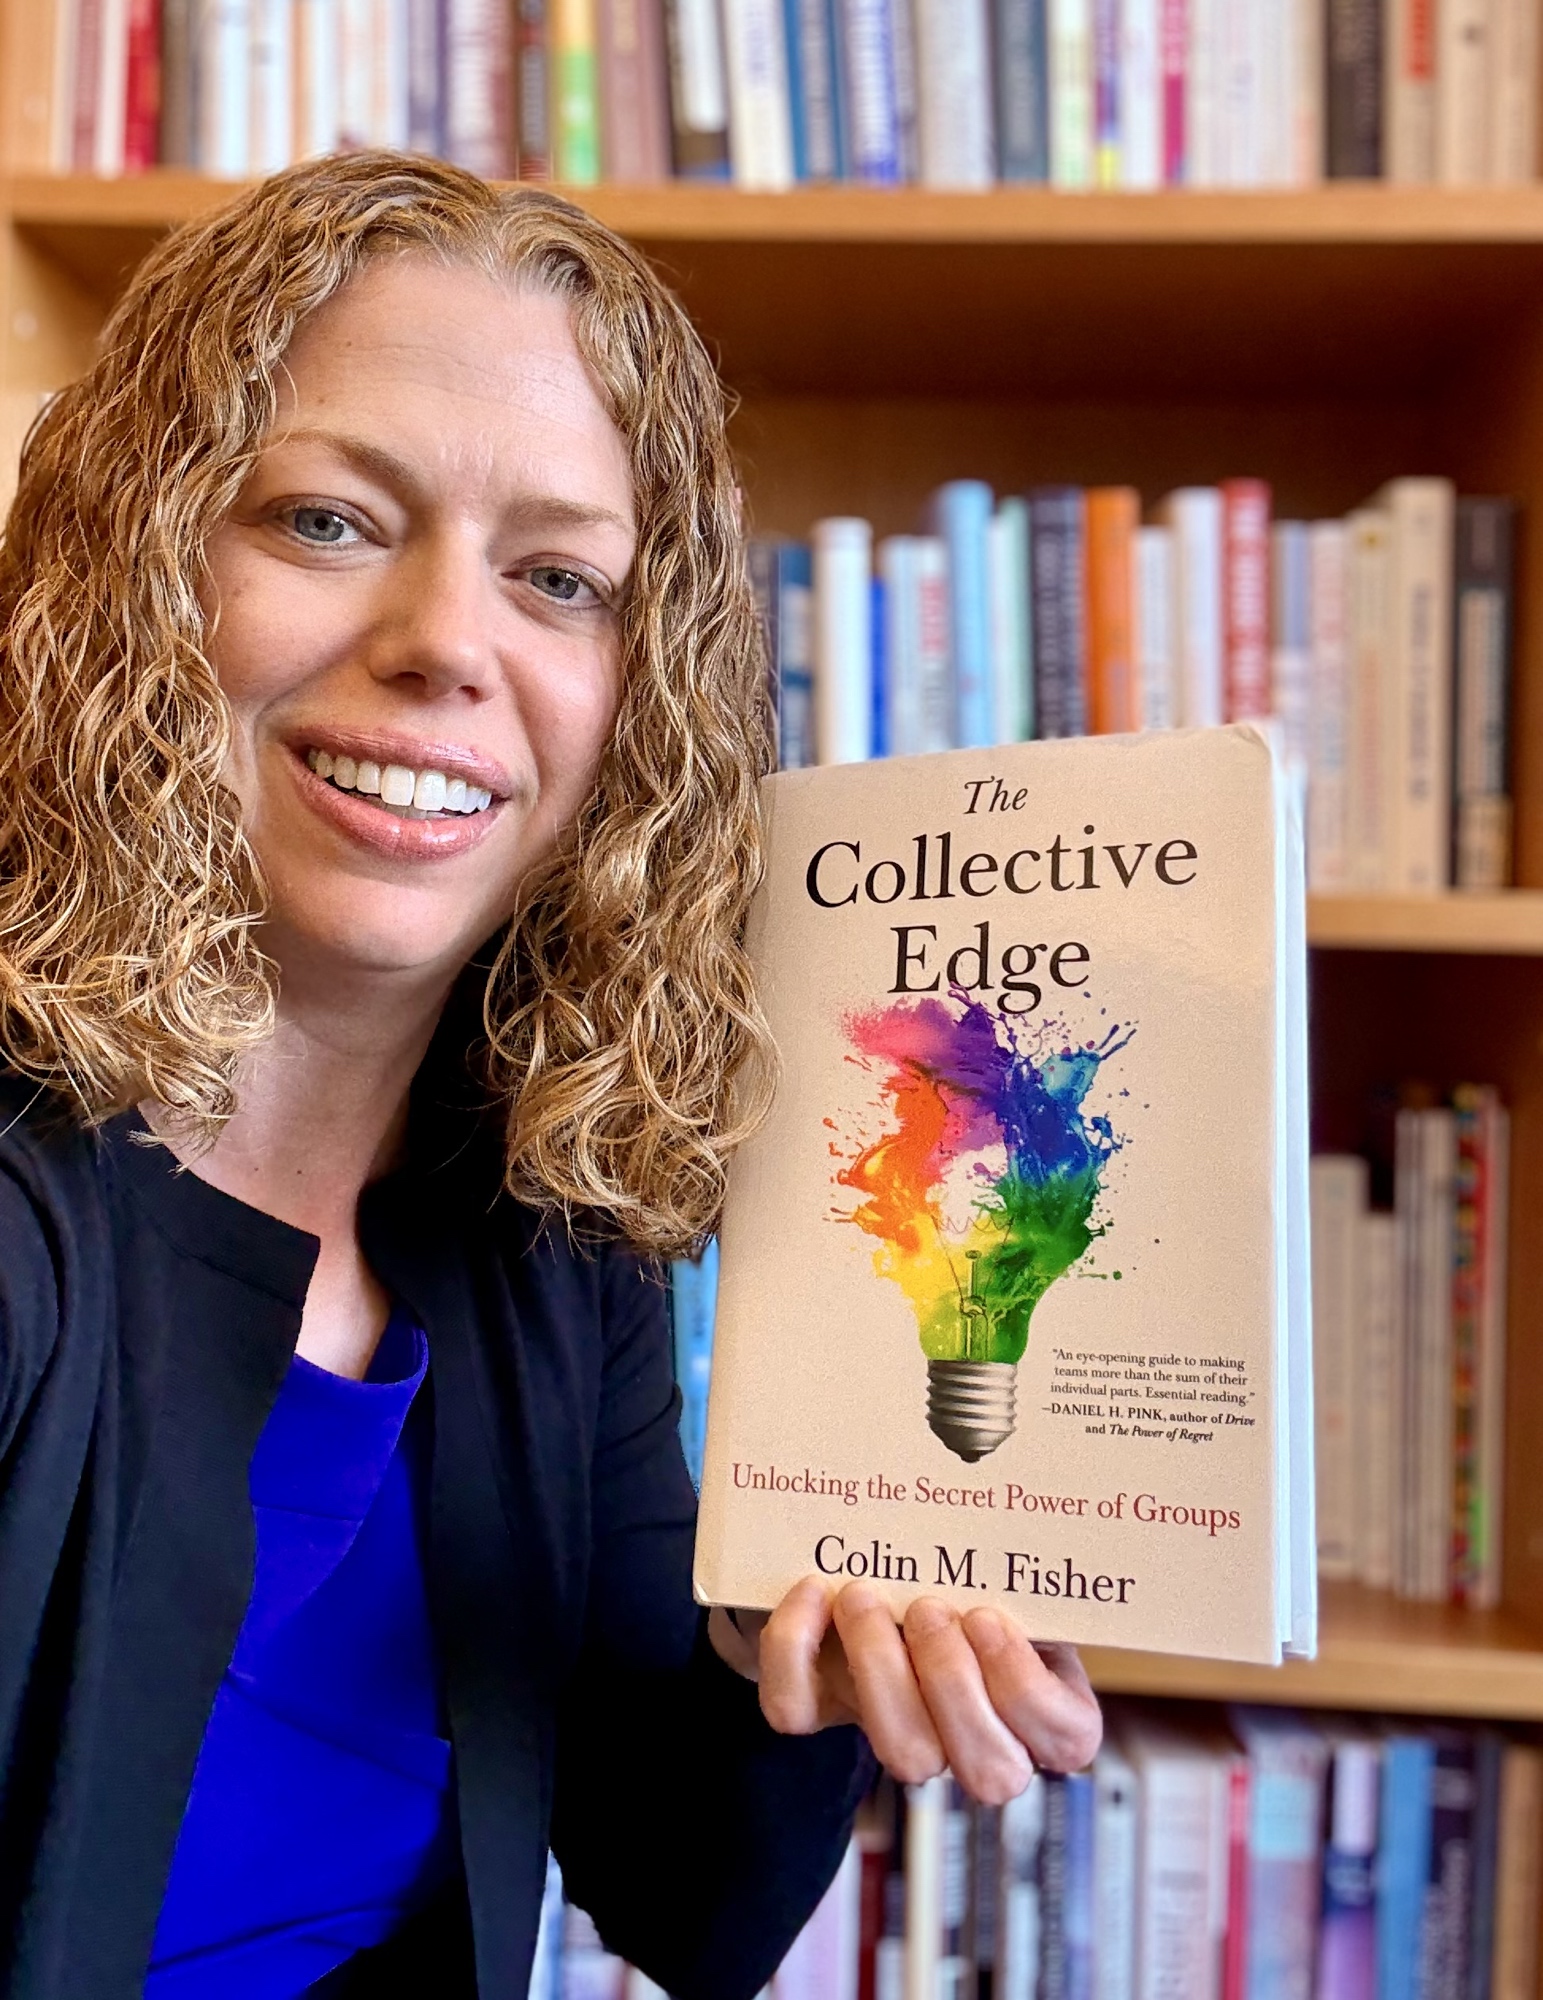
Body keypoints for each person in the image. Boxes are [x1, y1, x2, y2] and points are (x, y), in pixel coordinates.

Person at [0, 153, 1101, 2000]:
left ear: (637, 705)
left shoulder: (547, 1219)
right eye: (328, 521)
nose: (449, 642)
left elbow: (687, 1897)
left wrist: (785, 1653)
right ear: (132, 566)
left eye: (559, 579)